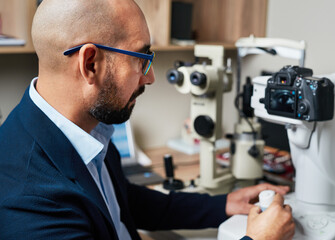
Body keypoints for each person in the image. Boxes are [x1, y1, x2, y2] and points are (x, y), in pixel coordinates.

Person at [0, 0, 295, 239]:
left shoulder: (87, 127)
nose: (150, 77)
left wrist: (224, 204)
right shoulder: (29, 199)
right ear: (90, 64)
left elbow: (119, 200)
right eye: (141, 59)